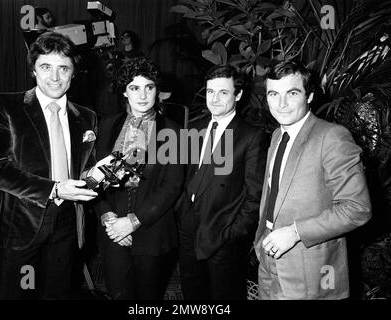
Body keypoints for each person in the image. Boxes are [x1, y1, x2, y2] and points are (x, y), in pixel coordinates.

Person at [0, 32, 99, 299]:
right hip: (20, 225)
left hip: (67, 226)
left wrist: (99, 175)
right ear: (33, 70)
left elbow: (85, 168)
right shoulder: (5, 105)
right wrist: (56, 189)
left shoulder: (87, 117)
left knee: (56, 293)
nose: (55, 77)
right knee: (18, 295)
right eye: (46, 67)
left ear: (73, 73)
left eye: (63, 68)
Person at [253, 60, 372, 300]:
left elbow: (357, 208)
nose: (282, 104)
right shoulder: (278, 135)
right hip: (267, 256)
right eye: (274, 94)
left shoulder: (332, 137)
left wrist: (295, 233)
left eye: (292, 93)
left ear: (309, 96)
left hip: (310, 269)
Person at [92, 57, 184, 299]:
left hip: (152, 231)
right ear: (124, 91)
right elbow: (95, 179)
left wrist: (132, 223)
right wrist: (107, 216)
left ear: (157, 91)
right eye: (134, 88)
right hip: (112, 231)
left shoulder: (173, 131)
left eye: (149, 87)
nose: (142, 95)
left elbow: (172, 186)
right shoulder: (108, 125)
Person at [176, 65, 269, 300]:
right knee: (192, 291)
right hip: (188, 227)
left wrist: (234, 233)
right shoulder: (193, 129)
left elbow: (255, 194)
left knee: (223, 295)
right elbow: (184, 178)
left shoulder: (251, 135)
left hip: (223, 230)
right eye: (210, 92)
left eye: (223, 93)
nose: (214, 99)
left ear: (238, 96)